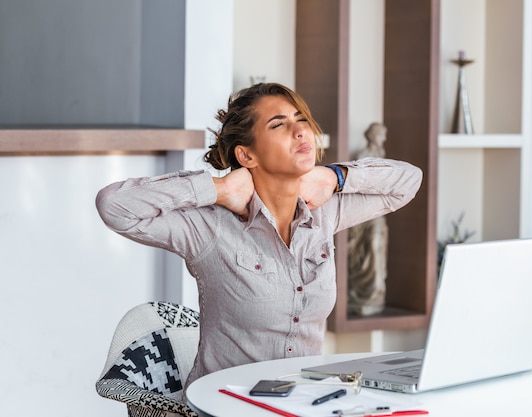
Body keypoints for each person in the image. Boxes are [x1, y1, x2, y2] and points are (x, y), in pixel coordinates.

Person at [95, 83, 423, 393]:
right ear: (247, 156)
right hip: (224, 406)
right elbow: (115, 206)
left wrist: (335, 176)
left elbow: (408, 181)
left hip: (303, 403)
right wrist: (218, 188)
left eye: (301, 119)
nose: (300, 131)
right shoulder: (208, 227)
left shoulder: (324, 212)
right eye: (279, 124)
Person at [348, 122, 389, 316]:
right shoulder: (361, 157)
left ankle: (376, 292)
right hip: (363, 210)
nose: (384, 139)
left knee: (377, 246)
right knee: (368, 246)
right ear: (372, 136)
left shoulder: (383, 156)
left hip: (379, 211)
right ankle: (363, 292)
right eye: (381, 135)